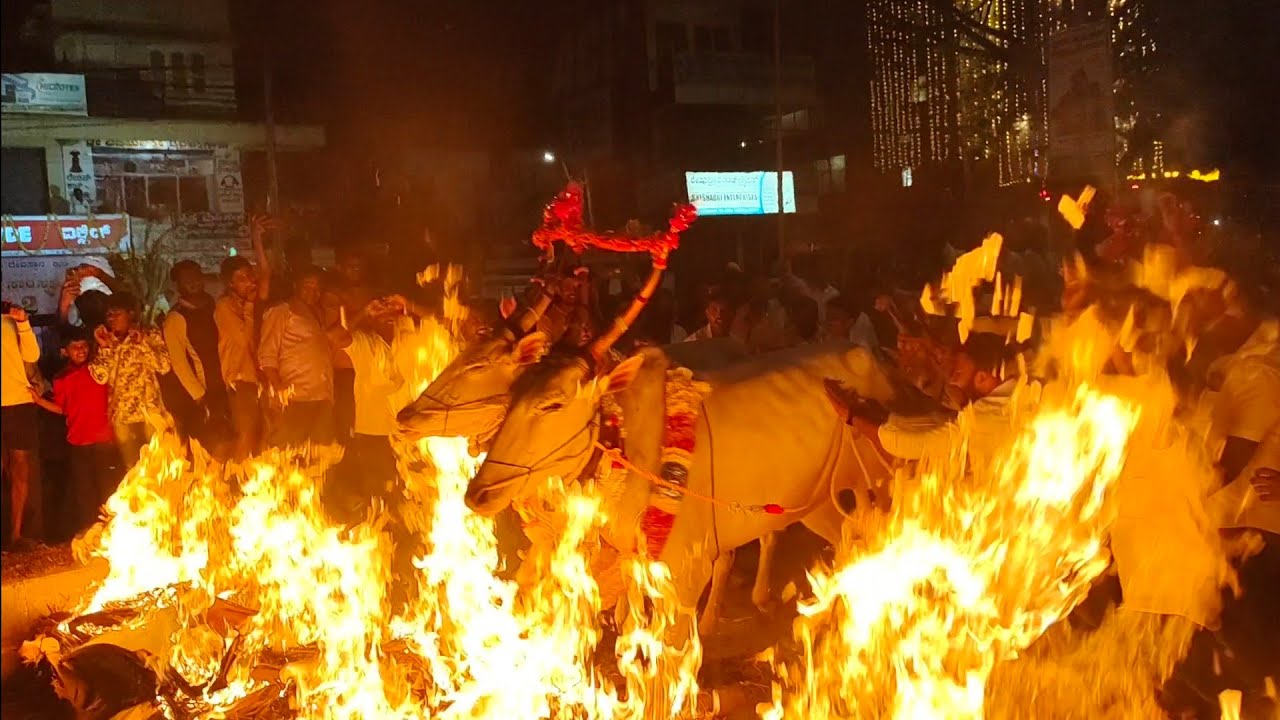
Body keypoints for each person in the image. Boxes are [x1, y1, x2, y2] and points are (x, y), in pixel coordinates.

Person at [331, 295, 424, 516]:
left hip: (408, 434)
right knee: (376, 496)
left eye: (394, 314)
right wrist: (364, 311)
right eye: (382, 314)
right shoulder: (364, 343)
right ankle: (375, 531)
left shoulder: (413, 342)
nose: (389, 319)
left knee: (410, 495)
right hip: (372, 433)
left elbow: (446, 323)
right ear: (373, 320)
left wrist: (410, 304)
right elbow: (334, 334)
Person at [27, 329, 121, 533]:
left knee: (108, 488)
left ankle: (114, 530)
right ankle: (91, 532)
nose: (80, 350)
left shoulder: (97, 370)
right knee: (84, 491)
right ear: (65, 351)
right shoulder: (62, 378)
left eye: (83, 345)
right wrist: (39, 401)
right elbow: (63, 408)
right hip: (78, 441)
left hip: (103, 439)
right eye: (75, 347)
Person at [214, 215, 273, 459]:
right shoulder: (224, 306)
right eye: (241, 278)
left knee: (267, 432)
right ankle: (237, 476)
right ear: (230, 284)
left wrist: (257, 239)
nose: (249, 281)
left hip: (261, 377)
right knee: (247, 434)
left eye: (249, 275)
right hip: (241, 379)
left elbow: (266, 274)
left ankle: (262, 477)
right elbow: (243, 338)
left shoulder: (252, 300)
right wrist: (249, 305)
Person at [259, 266, 336, 448]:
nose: (313, 292)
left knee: (319, 453)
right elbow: (267, 354)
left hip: (322, 395)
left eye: (317, 288)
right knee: (288, 450)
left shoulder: (319, 313)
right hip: (294, 396)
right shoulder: (281, 311)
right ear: (296, 285)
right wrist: (278, 387)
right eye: (308, 286)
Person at [90, 293, 172, 465]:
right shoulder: (106, 340)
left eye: (117, 313)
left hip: (149, 413)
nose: (112, 318)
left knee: (157, 464)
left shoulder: (149, 334)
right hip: (122, 416)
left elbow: (163, 366)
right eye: (109, 314)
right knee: (132, 468)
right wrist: (105, 348)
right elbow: (100, 377)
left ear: (131, 314)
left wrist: (142, 343)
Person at [163, 260, 230, 452]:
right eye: (186, 279)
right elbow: (179, 362)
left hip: (224, 385)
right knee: (207, 447)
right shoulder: (176, 318)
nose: (193, 281)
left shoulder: (214, 307)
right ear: (178, 285)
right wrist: (199, 396)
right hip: (201, 394)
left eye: (196, 276)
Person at [2, 304, 44, 549]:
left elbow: (31, 356)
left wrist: (23, 323)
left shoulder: (11, 318)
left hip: (18, 401)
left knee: (20, 469)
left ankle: (16, 534)